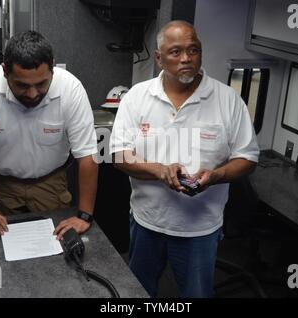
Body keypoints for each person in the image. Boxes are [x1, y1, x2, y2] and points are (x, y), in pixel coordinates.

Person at [109, 20, 259, 297]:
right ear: (158, 58)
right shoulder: (137, 98)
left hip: (200, 229)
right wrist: (158, 170)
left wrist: (216, 176)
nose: (186, 58)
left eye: (193, 50)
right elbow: (119, 156)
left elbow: (247, 157)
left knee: (196, 295)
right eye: (175, 52)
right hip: (146, 222)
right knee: (138, 293)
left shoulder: (228, 100)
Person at [0, 31, 98, 240]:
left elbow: (88, 156)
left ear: (53, 69)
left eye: (41, 84)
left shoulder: (71, 89)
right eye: (22, 85)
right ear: (5, 71)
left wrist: (85, 215)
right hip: (5, 184)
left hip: (52, 183)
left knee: (56, 252)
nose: (32, 94)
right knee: (3, 249)